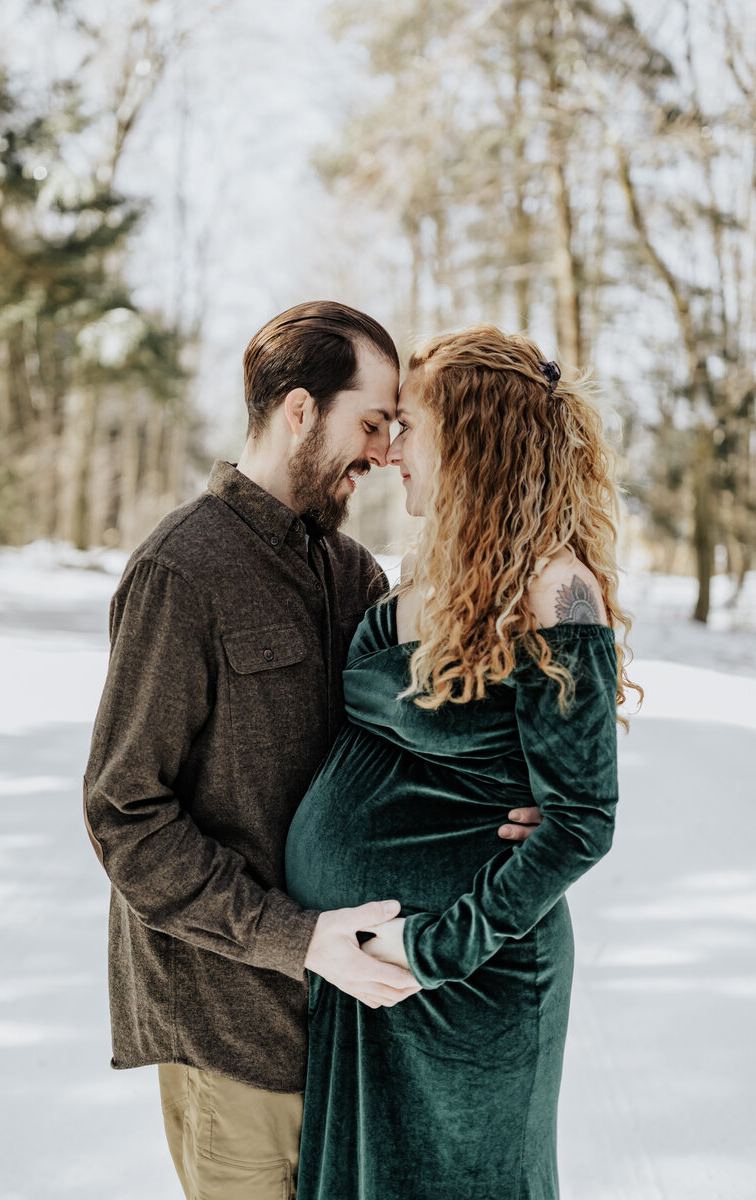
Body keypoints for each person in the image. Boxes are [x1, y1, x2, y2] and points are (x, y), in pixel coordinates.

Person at [83, 302, 540, 1200]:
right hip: (235, 1031)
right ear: (300, 411)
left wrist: (506, 802)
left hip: (353, 1029)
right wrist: (297, 939)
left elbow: (411, 744)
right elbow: (124, 814)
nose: (383, 452)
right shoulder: (182, 572)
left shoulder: (355, 574)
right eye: (371, 422)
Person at [285, 324, 639, 1200]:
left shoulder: (557, 592)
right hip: (365, 971)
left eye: (411, 426)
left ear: (473, 438)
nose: (393, 449)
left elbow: (582, 822)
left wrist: (431, 946)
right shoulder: (422, 573)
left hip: (466, 978)